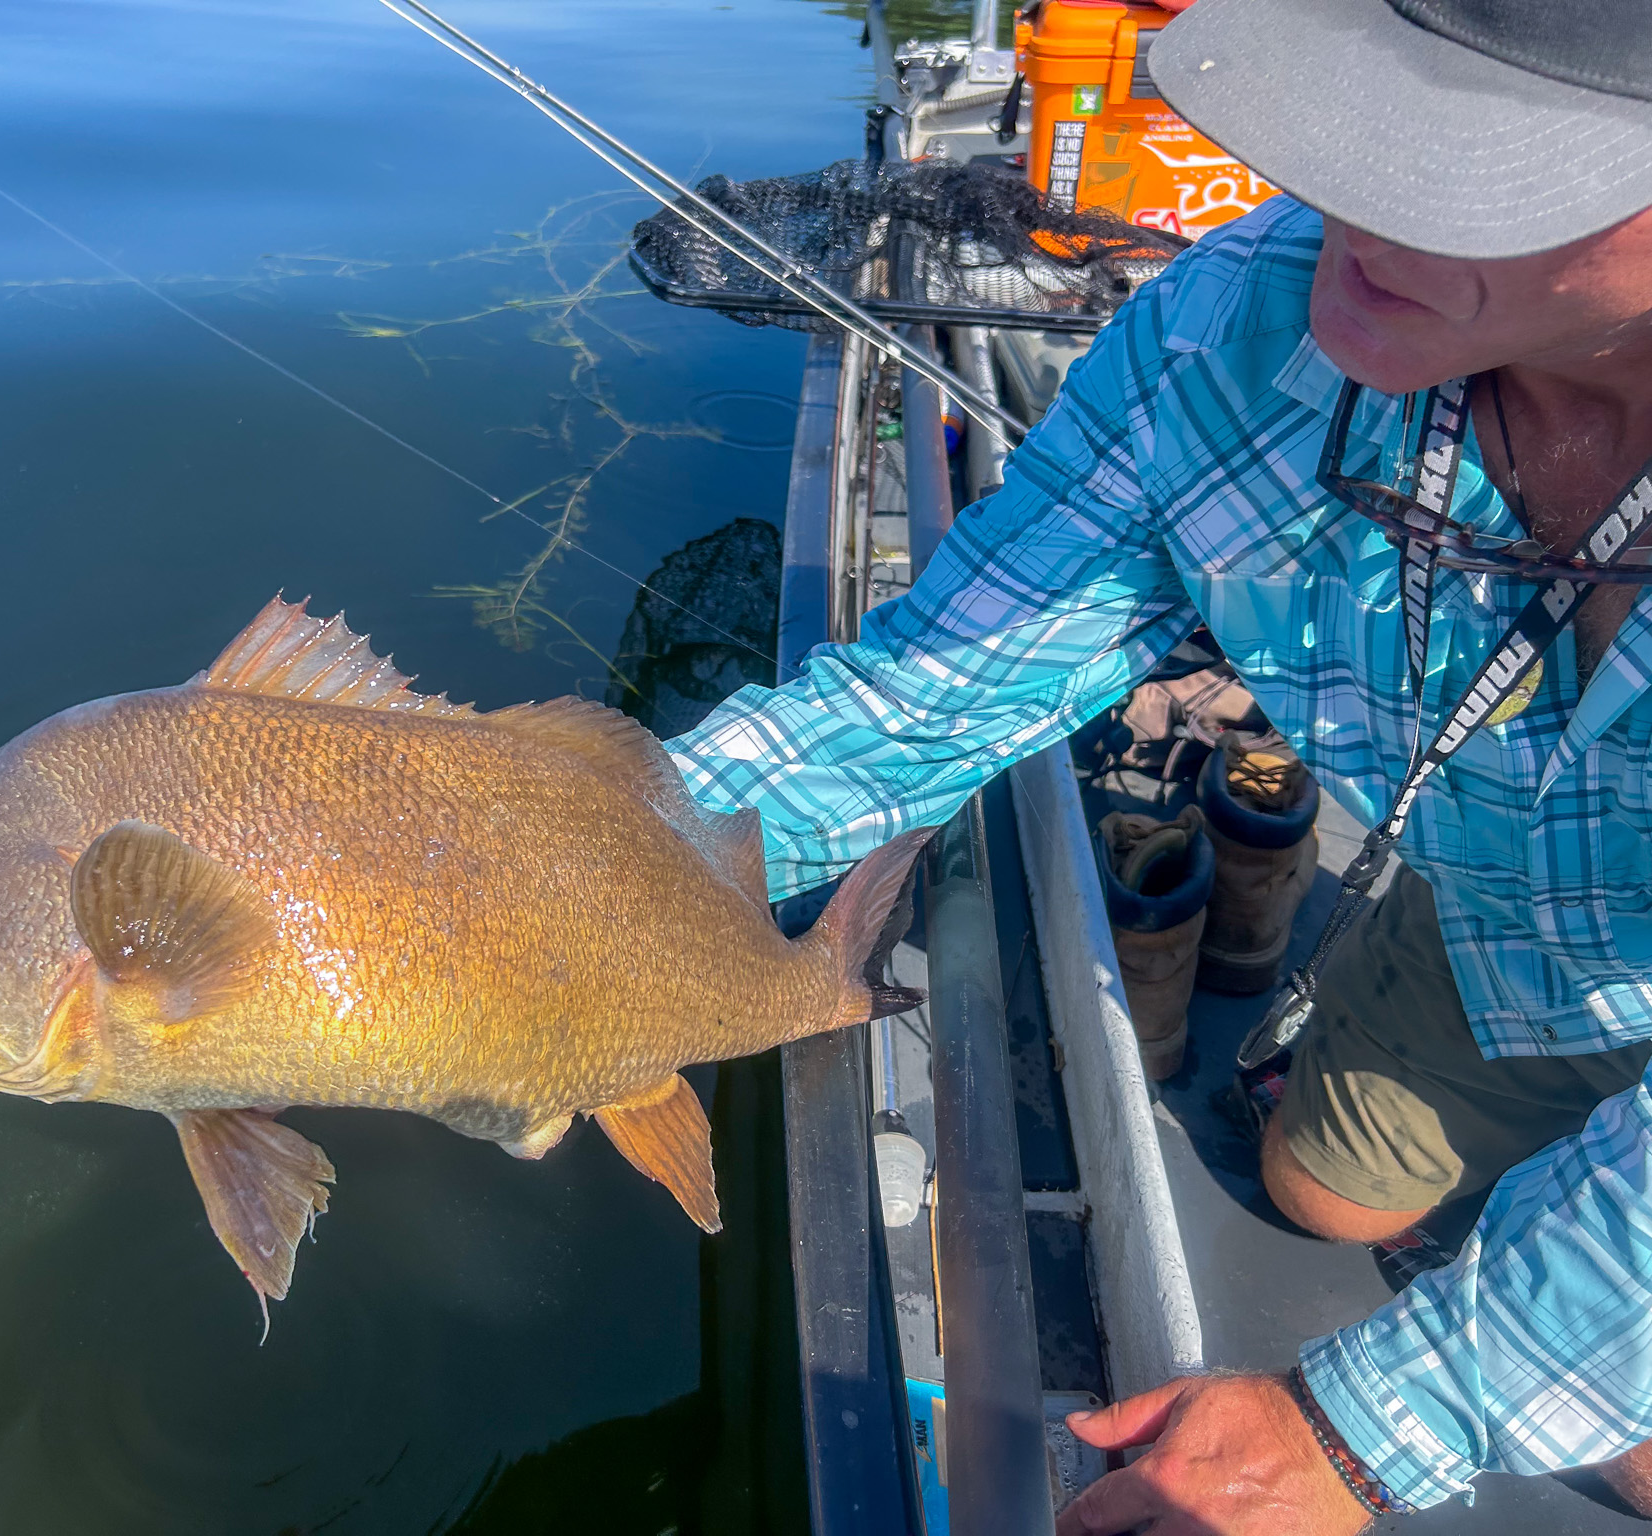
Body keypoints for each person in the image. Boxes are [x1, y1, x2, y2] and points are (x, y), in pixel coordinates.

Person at [664, 0, 1652, 1529]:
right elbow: (926, 703)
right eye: (1355, 104)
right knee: (1318, 1187)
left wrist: (1359, 1429)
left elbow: (1367, 1429)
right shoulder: (1228, 334)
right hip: (1506, 918)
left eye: (1469, 166)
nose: (1345, 190)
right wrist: (531, 868)